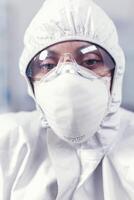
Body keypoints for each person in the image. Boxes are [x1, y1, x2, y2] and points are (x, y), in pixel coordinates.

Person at [0, 0, 134, 199]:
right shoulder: (10, 143)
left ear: (116, 73)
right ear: (31, 82)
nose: (68, 78)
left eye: (90, 61)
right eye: (48, 65)